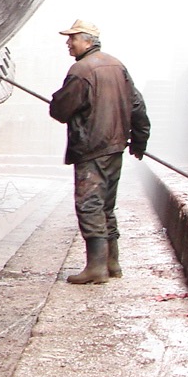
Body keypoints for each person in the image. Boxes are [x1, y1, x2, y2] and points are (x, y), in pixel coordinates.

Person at [48, 19, 150, 284]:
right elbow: (137, 105)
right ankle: (112, 263)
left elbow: (61, 112)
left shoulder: (81, 70)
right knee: (106, 205)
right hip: (115, 147)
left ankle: (96, 268)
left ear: (88, 41)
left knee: (89, 205)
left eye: (72, 39)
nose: (68, 43)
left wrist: (57, 101)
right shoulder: (118, 66)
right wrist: (139, 141)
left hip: (91, 148)